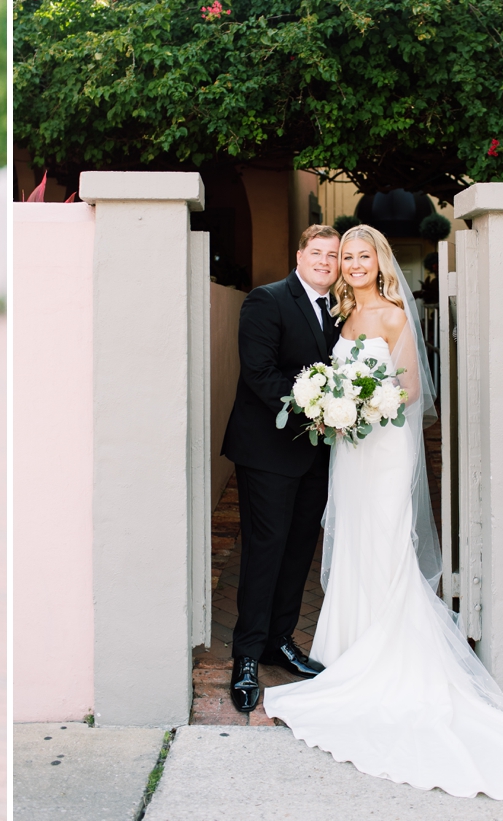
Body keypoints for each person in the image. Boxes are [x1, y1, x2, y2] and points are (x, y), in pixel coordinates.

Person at [264, 226, 503, 799]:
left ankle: (386, 655)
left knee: (385, 540)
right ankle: (347, 649)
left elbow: (407, 392)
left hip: (381, 445)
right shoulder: (343, 316)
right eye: (346, 257)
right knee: (354, 538)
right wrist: (332, 402)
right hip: (351, 449)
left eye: (363, 256)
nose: (353, 265)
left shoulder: (392, 316)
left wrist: (355, 401)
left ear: (380, 263)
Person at [220, 224, 340, 713]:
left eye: (333, 256)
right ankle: (246, 655)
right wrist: (310, 407)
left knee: (298, 551)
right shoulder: (266, 300)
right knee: (265, 551)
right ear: (300, 255)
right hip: (268, 451)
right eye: (318, 253)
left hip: (319, 451)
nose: (327, 262)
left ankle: (280, 641)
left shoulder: (340, 309)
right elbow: (260, 372)